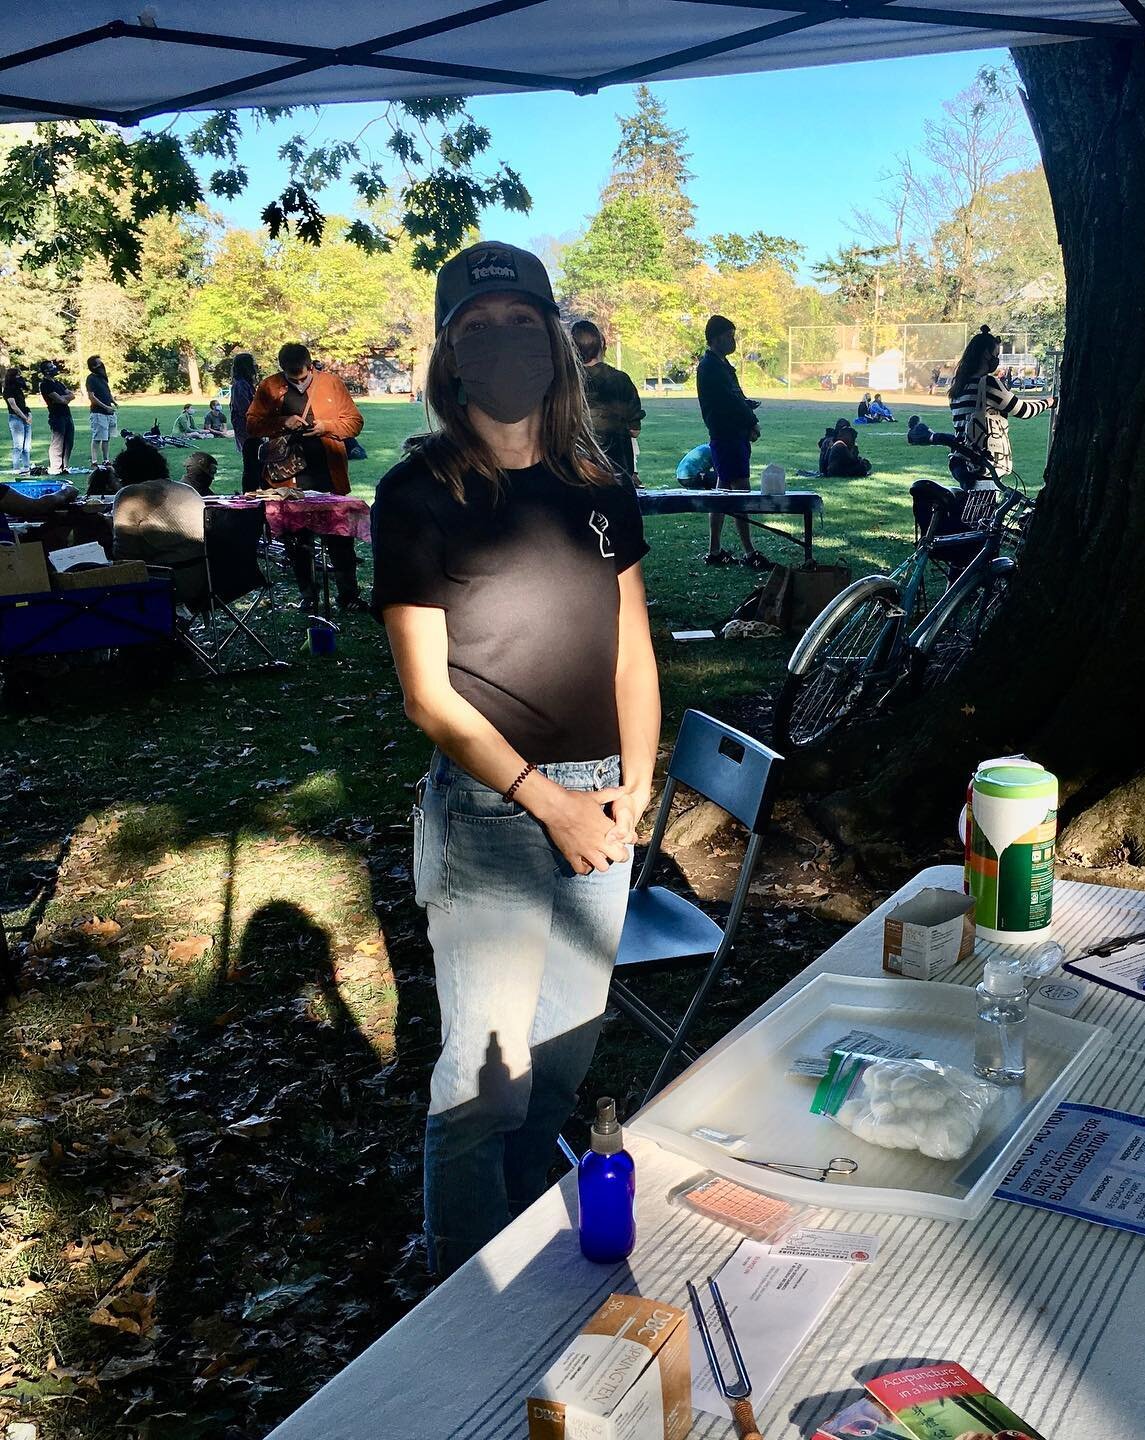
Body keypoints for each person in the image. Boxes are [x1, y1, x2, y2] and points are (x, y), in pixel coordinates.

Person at [369, 240, 659, 1278]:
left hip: (605, 811)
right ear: (448, 356)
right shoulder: (416, 492)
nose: (501, 343)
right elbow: (427, 697)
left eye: (520, 322)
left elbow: (632, 639)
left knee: (558, 1069)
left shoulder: (598, 482)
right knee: (483, 1081)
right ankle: (461, 1300)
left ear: (555, 342)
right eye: (475, 327)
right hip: (494, 818)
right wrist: (549, 803)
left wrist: (639, 774)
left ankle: (532, 1254)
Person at [246, 342, 365, 609]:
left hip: (329, 476)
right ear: (281, 369)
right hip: (288, 480)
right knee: (298, 544)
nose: (298, 381)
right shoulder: (269, 387)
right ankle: (308, 597)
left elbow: (355, 422)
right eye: (291, 376)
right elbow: (251, 424)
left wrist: (326, 427)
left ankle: (349, 596)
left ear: (311, 366)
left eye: (302, 375)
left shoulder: (331, 384)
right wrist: (281, 423)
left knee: (340, 540)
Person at [695, 314, 767, 568]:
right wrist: (751, 421)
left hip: (731, 436)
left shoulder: (721, 365)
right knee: (740, 492)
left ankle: (715, 550)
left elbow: (736, 397)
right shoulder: (711, 367)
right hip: (727, 437)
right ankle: (749, 552)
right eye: (728, 335)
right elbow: (728, 401)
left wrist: (747, 410)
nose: (732, 340)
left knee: (721, 492)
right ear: (715, 338)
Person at [948, 325, 1053, 480]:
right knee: (987, 503)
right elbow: (1024, 410)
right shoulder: (988, 384)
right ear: (985, 354)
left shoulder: (958, 386)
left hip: (961, 460)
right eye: (996, 355)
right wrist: (1050, 402)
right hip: (984, 461)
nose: (997, 360)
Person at [111, 437, 206, 603]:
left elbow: (124, 558)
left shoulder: (131, 495)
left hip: (167, 580)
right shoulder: (186, 489)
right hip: (205, 576)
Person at [570, 320, 645, 485]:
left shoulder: (566, 383)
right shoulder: (620, 380)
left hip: (577, 470)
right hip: (617, 468)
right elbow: (635, 431)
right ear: (600, 344)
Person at [229, 352, 262, 491]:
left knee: (255, 464)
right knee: (251, 465)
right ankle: (249, 493)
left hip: (251, 430)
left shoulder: (245, 384)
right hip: (248, 432)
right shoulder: (241, 385)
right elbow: (245, 409)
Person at [38, 361, 75, 475]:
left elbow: (71, 395)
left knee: (69, 441)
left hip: (67, 415)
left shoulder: (58, 383)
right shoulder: (45, 385)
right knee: (58, 442)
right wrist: (63, 398)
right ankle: (55, 467)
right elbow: (60, 400)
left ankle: (65, 466)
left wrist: (63, 398)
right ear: (46, 371)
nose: (54, 368)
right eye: (51, 367)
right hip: (56, 416)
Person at [85, 355, 119, 466]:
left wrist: (112, 401)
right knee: (98, 437)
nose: (102, 365)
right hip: (98, 413)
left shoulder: (103, 378)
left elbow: (107, 392)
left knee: (107, 438)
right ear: (94, 366)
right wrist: (105, 407)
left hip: (109, 412)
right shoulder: (91, 378)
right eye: (99, 363)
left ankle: (106, 460)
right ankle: (94, 461)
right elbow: (92, 397)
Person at [4, 364, 31, 475]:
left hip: (26, 417)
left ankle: (26, 467)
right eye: (18, 375)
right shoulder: (8, 390)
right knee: (18, 445)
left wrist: (28, 414)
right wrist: (24, 417)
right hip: (16, 419)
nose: (20, 377)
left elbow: (23, 404)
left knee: (27, 446)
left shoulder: (19, 389)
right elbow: (14, 406)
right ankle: (16, 467)